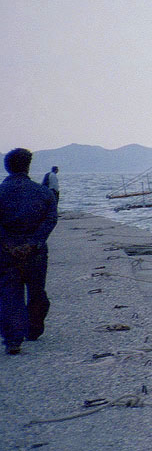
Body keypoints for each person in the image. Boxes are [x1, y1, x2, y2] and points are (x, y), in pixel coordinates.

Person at [0, 148, 58, 354]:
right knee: (36, 291)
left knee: (10, 293)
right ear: (28, 167)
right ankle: (33, 329)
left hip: (6, 252)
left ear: (7, 167)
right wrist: (32, 243)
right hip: (35, 252)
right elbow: (50, 219)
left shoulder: (1, 191)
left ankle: (13, 339)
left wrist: (7, 244)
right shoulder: (43, 192)